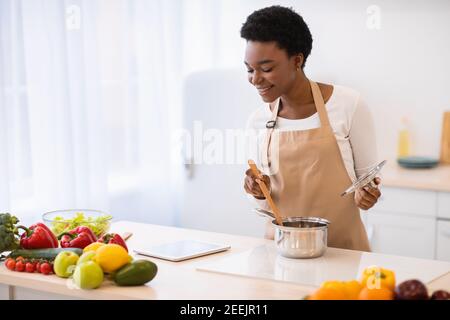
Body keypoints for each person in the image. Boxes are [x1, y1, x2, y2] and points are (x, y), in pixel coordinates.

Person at [241, 5, 381, 251]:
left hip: (342, 252)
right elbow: (267, 202)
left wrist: (367, 195)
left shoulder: (349, 105)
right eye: (250, 70)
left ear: (297, 60)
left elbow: (368, 182)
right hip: (281, 253)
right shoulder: (257, 120)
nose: (255, 79)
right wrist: (257, 190)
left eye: (266, 68)